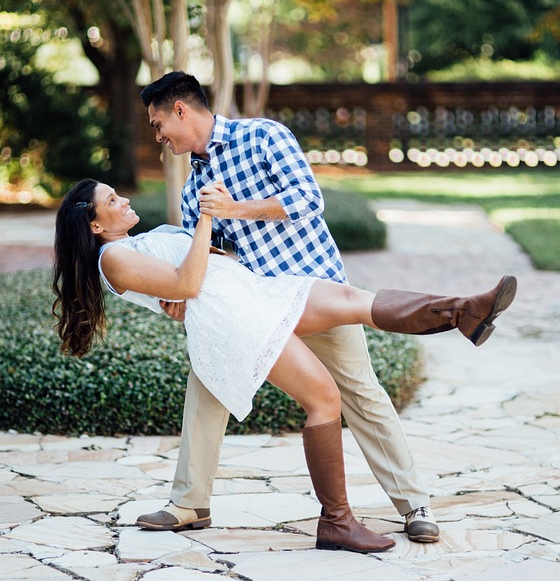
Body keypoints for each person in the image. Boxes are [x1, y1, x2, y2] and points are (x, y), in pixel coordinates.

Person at [136, 71, 512, 545]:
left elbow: (307, 199)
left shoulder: (263, 136)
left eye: (157, 124)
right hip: (253, 310)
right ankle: (190, 503)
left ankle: (414, 503)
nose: (157, 136)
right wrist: (182, 296)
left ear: (180, 110)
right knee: (207, 379)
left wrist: (235, 208)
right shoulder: (193, 188)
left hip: (315, 291)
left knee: (362, 394)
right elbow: (210, 258)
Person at [53, 178, 516, 553]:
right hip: (236, 319)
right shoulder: (112, 257)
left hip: (255, 293)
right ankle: (336, 522)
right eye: (112, 200)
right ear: (95, 225)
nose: (125, 198)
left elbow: (194, 275)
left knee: (355, 300)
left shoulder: (141, 242)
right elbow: (189, 283)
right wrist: (205, 222)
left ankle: (464, 312)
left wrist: (184, 278)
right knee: (324, 399)